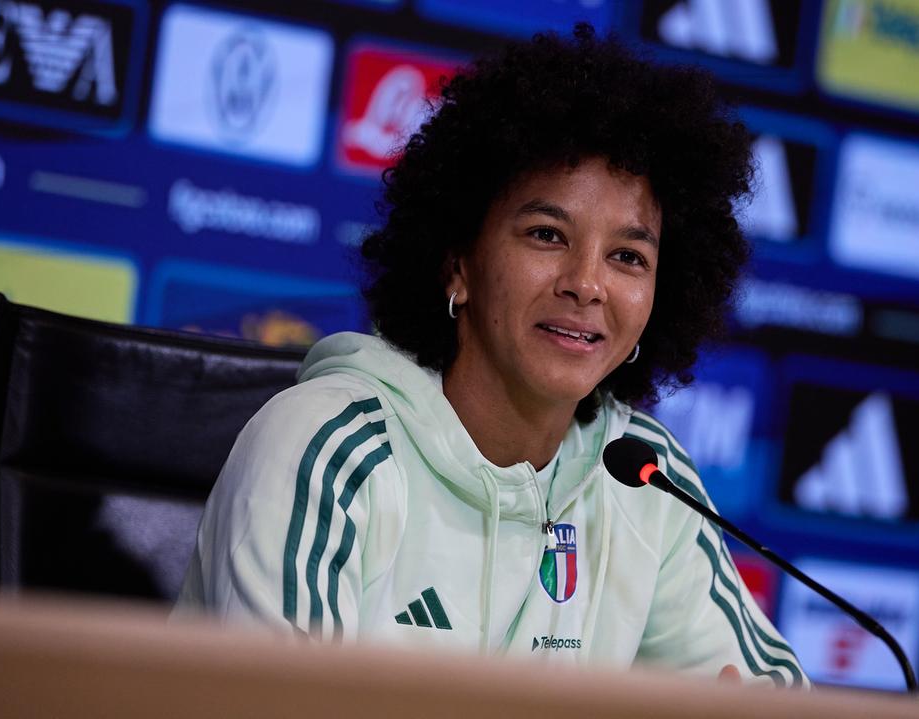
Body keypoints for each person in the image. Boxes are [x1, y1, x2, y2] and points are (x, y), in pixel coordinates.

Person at [176, 25, 806, 687]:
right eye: (546, 234)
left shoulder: (644, 477)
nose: (587, 284)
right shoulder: (326, 448)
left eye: (628, 256)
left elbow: (771, 694)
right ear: (459, 264)